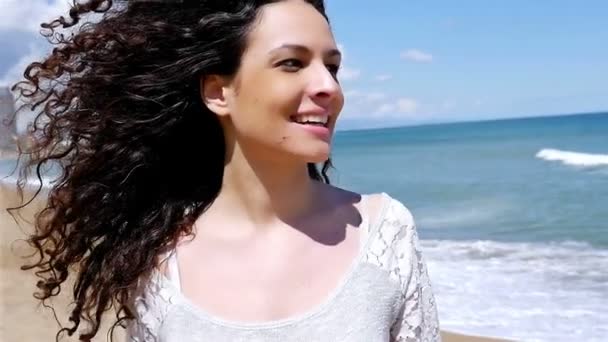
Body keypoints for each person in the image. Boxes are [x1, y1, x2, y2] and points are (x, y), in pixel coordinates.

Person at [11, 0, 442, 341]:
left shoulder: (386, 234)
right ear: (219, 93)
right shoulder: (162, 267)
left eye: (331, 66)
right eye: (292, 62)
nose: (328, 86)